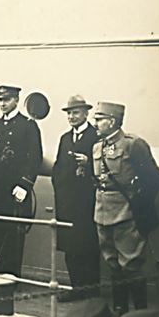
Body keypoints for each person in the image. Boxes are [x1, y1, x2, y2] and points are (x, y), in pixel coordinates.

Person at [92, 102, 159, 315]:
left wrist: (138, 204)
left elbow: (153, 178)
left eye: (99, 119)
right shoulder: (97, 147)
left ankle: (139, 313)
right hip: (102, 211)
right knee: (112, 263)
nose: (95, 123)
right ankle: (120, 311)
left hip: (126, 213)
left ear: (112, 121)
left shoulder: (133, 144)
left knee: (131, 265)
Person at [52, 95, 101, 302]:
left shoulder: (96, 136)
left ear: (86, 113)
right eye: (69, 113)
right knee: (71, 249)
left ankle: (90, 291)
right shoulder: (65, 138)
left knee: (88, 247)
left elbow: (104, 167)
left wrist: (89, 163)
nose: (71, 117)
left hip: (87, 204)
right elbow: (58, 167)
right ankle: (76, 288)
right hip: (66, 203)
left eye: (76, 112)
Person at [0, 84, 43, 276]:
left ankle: (11, 276)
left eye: (6, 100)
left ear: (16, 100)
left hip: (17, 191)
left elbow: (35, 158)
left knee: (14, 235)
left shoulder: (28, 126)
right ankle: (0, 272)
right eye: (0, 100)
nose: (2, 104)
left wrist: (25, 185)